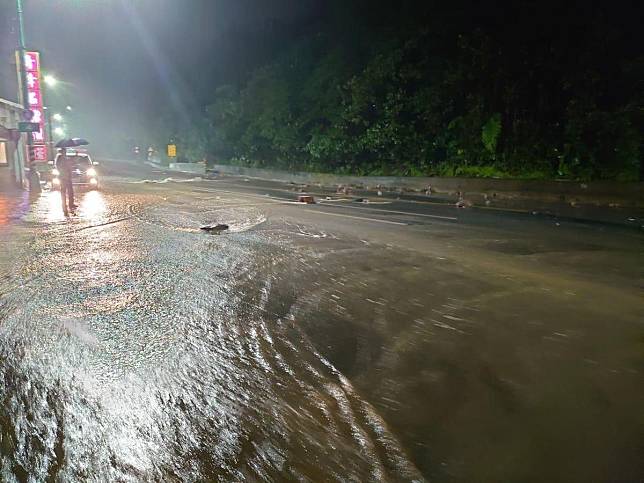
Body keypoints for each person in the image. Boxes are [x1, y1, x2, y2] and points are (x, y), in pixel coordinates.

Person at [55, 148, 76, 215]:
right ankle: (64, 206)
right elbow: (59, 167)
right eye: (64, 151)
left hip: (68, 177)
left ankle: (71, 204)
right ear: (62, 152)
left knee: (70, 191)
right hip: (63, 177)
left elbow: (69, 166)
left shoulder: (65, 158)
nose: (65, 152)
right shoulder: (60, 158)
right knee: (63, 192)